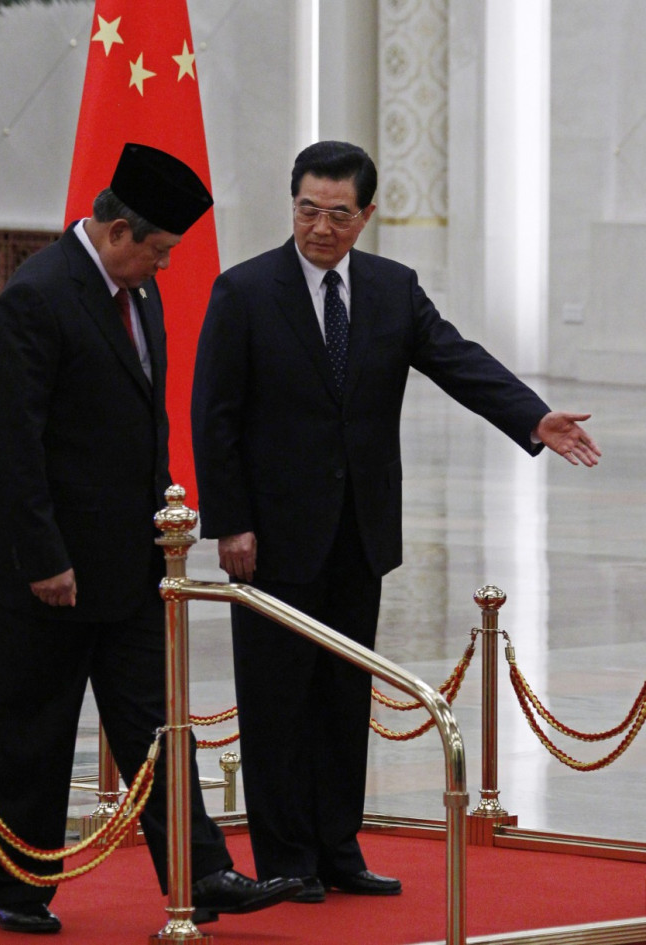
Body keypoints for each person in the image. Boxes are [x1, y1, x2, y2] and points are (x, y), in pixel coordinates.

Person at [190, 140, 601, 904]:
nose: (320, 227)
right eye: (308, 209)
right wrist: (231, 522)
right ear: (293, 206)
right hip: (271, 538)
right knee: (278, 700)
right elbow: (213, 417)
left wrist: (533, 416)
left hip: (359, 529)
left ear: (367, 215)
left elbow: (456, 358)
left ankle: (339, 847)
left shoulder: (391, 288)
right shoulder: (245, 290)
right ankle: (287, 859)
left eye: (338, 213)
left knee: (346, 695)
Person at [0, 142, 301, 934]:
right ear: (118, 233)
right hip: (44, 570)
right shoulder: (36, 297)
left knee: (159, 728)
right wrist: (46, 560)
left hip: (130, 565)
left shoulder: (137, 296)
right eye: (160, 250)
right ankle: (16, 891)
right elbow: (15, 445)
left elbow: (146, 422)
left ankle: (202, 871)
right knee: (33, 733)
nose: (165, 266)